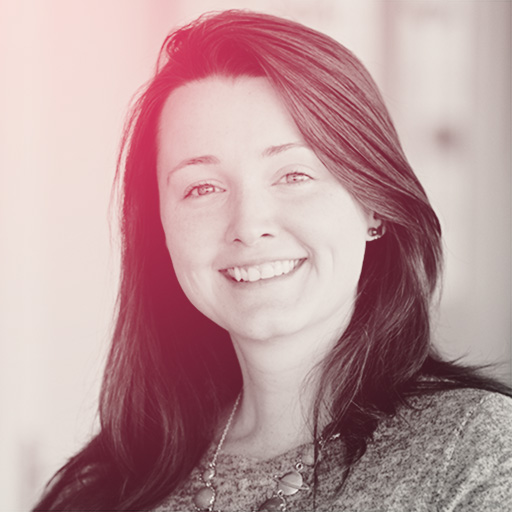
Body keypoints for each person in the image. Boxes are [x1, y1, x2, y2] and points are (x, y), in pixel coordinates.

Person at [33, 9, 511, 512]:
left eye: (293, 175)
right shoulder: (105, 486)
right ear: (161, 231)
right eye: (202, 188)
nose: (248, 225)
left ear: (372, 203)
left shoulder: (474, 451)